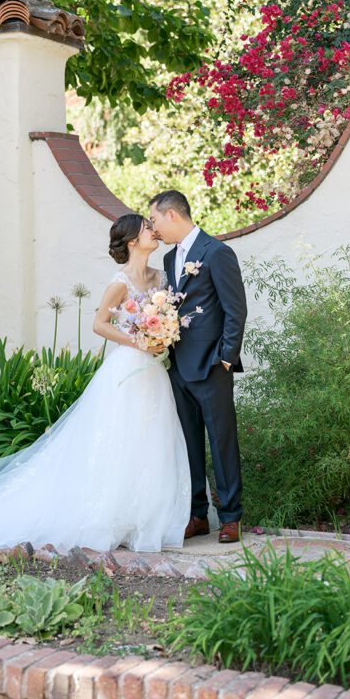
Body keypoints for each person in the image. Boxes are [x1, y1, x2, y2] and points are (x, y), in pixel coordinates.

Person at [0, 213, 190, 552]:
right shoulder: (120, 282)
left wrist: (163, 335)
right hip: (126, 369)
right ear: (134, 241)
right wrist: (138, 340)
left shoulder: (162, 276)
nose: (154, 232)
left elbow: (169, 315)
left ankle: (146, 518)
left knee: (152, 439)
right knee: (117, 439)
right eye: (147, 228)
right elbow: (99, 323)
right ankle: (109, 517)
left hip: (153, 370)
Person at [149, 190, 247, 544]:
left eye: (155, 220)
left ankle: (231, 517)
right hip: (176, 365)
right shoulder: (168, 259)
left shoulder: (217, 252)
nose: (153, 228)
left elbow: (235, 309)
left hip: (211, 366)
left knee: (222, 442)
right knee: (188, 444)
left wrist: (226, 356)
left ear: (172, 215)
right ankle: (197, 514)